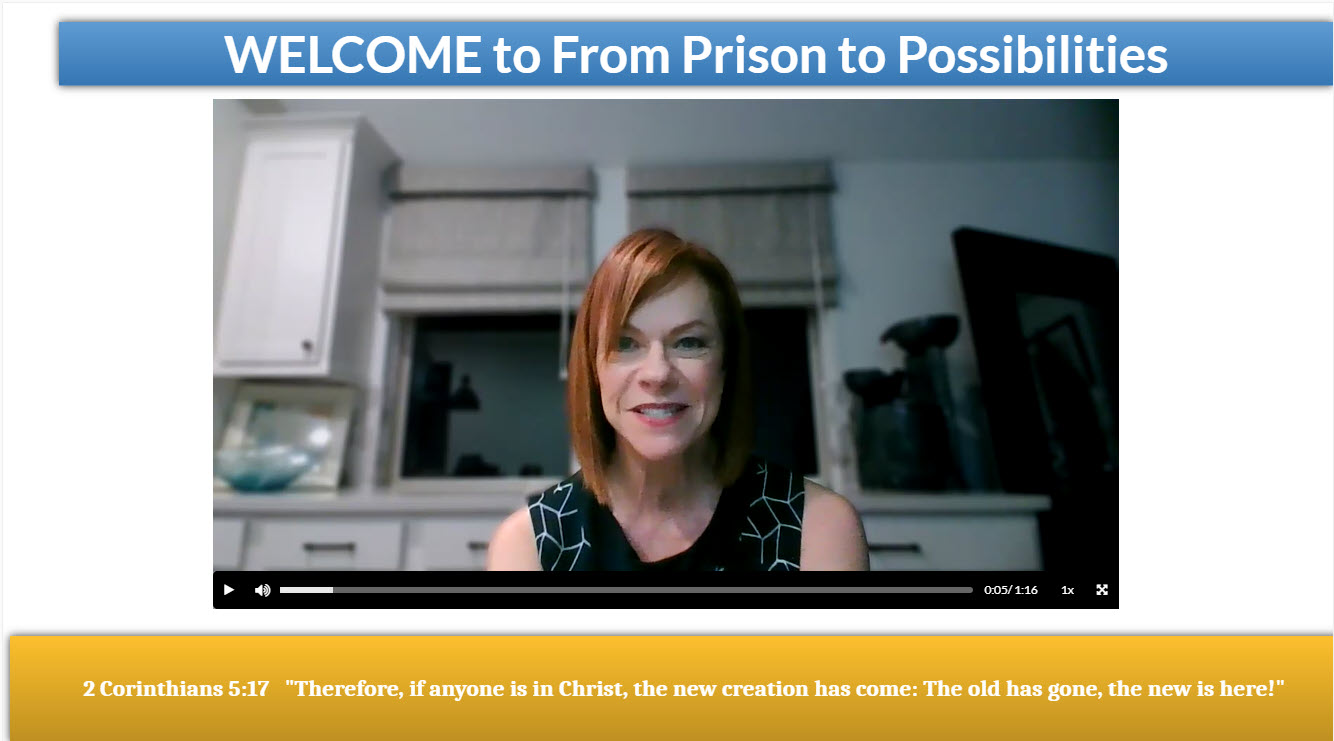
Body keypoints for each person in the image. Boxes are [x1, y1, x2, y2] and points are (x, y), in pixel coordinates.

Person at [487, 228, 868, 571]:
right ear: (593, 367)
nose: (657, 374)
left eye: (688, 342)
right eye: (625, 343)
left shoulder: (816, 528)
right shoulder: (530, 546)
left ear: (725, 365)